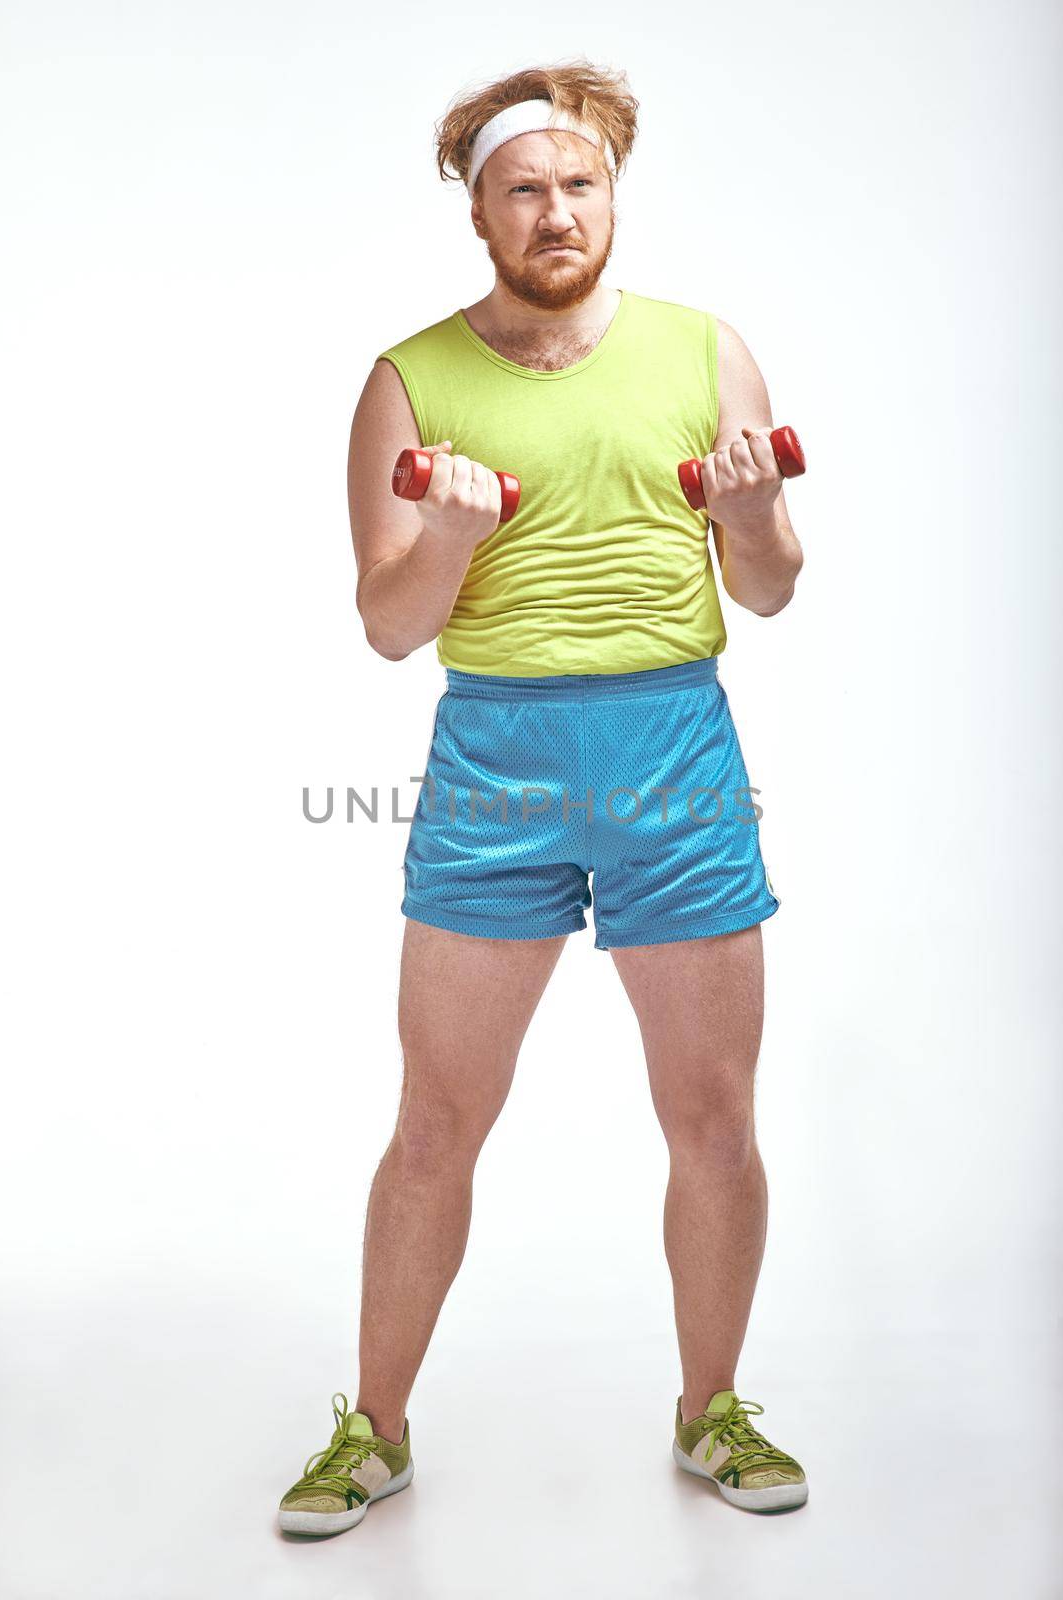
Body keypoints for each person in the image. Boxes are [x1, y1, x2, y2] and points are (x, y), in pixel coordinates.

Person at [278, 60, 807, 1536]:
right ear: (481, 212)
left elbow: (765, 588)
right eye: (526, 188)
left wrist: (756, 516)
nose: (557, 210)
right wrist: (447, 539)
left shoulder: (710, 353)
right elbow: (391, 628)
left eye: (580, 184)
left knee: (712, 1118)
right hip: (493, 766)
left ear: (615, 196)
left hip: (676, 760)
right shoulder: (410, 378)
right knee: (436, 1122)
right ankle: (373, 1430)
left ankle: (712, 1411)